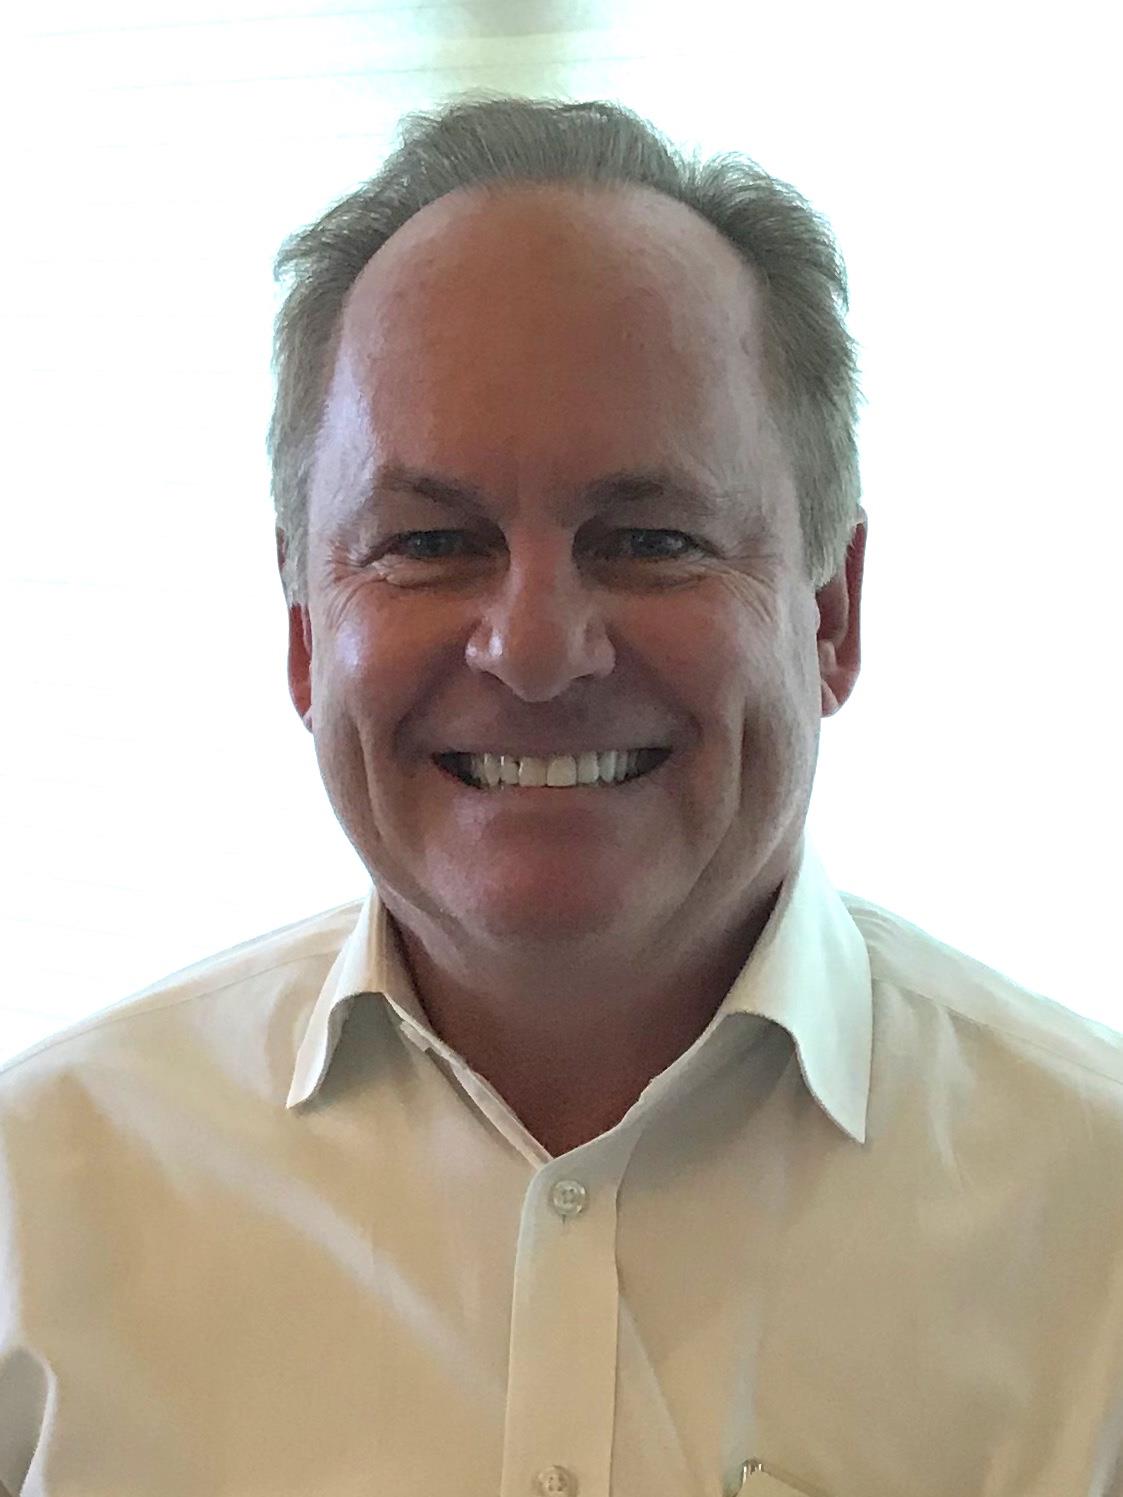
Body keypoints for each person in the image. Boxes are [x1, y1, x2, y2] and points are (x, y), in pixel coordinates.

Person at [1, 94, 1120, 1497]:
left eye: (651, 538)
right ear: (302, 633)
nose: (534, 651)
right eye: (427, 544)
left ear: (831, 613)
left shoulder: (1098, 1233)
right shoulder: (36, 1219)